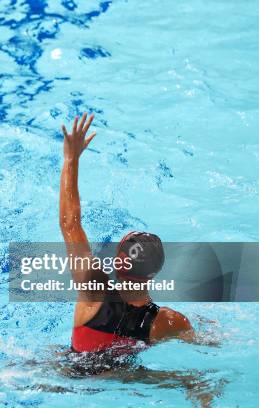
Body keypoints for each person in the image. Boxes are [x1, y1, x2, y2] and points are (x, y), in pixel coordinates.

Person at [58, 113, 194, 361]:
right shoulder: (170, 322)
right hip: (124, 380)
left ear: (118, 264)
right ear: (158, 270)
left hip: (72, 378)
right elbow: (204, 344)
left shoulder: (94, 293)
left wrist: (71, 159)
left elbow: (70, 225)